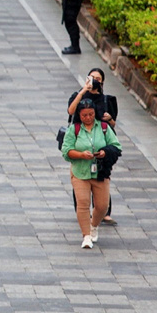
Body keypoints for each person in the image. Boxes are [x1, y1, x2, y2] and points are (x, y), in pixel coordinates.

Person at [61, 98, 121, 248]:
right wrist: (81, 155)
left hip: (100, 172)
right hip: (80, 171)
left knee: (102, 205)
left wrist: (104, 152)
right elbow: (66, 151)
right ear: (79, 116)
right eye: (84, 115)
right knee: (82, 202)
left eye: (91, 114)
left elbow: (116, 146)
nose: (88, 118)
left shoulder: (103, 127)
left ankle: (94, 225)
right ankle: (86, 236)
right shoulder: (73, 130)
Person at [68, 67, 119, 224]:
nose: (94, 80)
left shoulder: (107, 100)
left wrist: (109, 119)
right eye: (91, 77)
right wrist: (83, 91)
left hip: (100, 144)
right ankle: (82, 209)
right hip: (81, 142)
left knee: (103, 175)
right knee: (80, 175)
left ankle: (104, 211)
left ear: (102, 82)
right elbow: (71, 111)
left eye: (97, 78)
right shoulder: (78, 95)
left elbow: (113, 124)